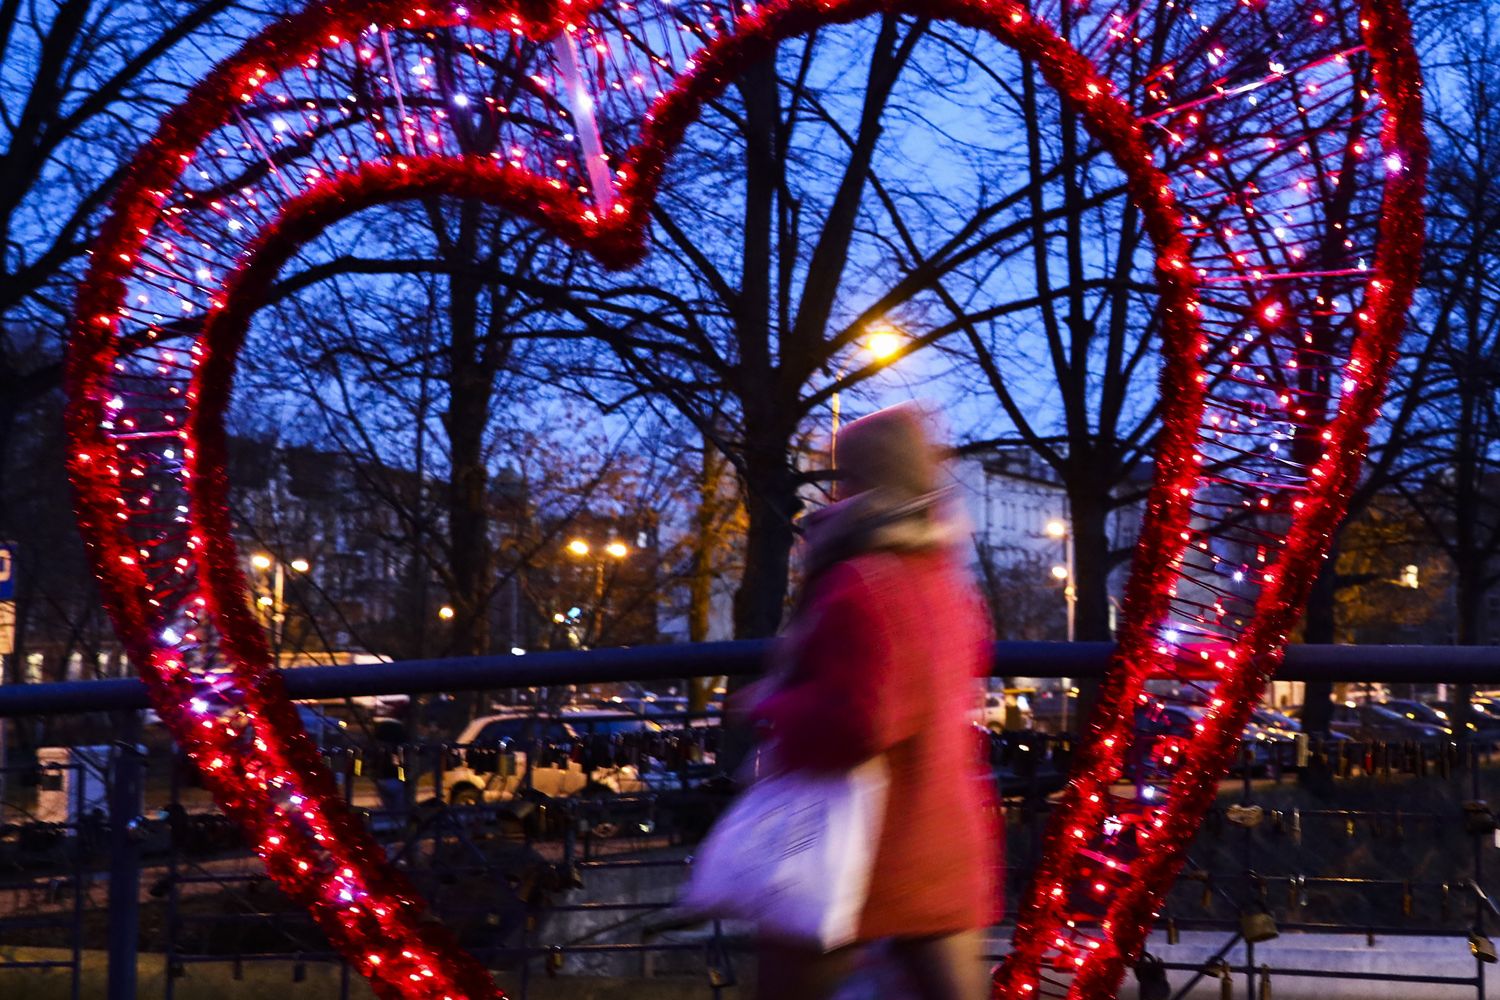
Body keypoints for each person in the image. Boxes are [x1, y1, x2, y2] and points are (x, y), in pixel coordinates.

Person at [740, 403, 1001, 1000]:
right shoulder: (947, 580)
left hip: (860, 859)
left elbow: (860, 720)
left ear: (852, 482)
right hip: (946, 845)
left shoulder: (859, 579)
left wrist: (771, 706)